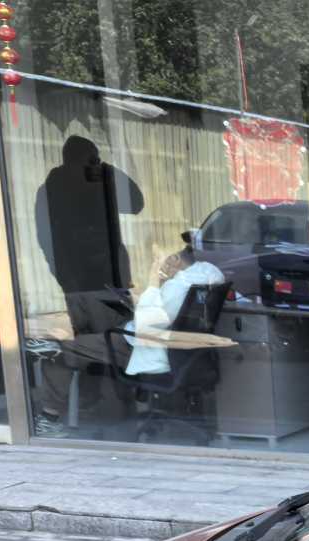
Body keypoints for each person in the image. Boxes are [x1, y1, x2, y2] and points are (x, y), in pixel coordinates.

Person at [31, 134, 145, 435]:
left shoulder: (47, 190)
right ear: (89, 159)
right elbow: (137, 202)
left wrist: (59, 272)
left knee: (85, 348)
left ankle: (74, 406)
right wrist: (108, 170)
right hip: (106, 285)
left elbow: (42, 237)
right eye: (95, 158)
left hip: (71, 285)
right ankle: (117, 407)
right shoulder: (99, 183)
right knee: (115, 345)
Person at [121, 234, 226, 378]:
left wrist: (143, 297)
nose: (156, 264)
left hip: (157, 353)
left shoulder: (177, 286)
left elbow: (146, 326)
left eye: (157, 259)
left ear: (174, 258)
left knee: (89, 342)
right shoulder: (209, 271)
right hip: (190, 352)